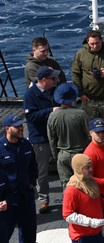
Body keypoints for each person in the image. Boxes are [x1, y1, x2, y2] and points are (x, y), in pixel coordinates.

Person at [2, 114, 52, 243]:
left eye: (21, 125)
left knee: (29, 228)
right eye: (17, 126)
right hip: (7, 201)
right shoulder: (0, 149)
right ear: (7, 128)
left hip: (25, 196)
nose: (21, 128)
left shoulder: (25, 145)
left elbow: (32, 165)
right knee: (3, 236)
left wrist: (32, 180)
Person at [22, 65, 60, 214]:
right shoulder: (30, 95)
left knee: (64, 168)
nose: (56, 80)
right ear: (44, 80)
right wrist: (51, 111)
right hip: (40, 139)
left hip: (56, 136)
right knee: (41, 172)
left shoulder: (55, 90)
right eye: (53, 78)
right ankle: (43, 200)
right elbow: (30, 117)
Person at [46, 82, 89, 185]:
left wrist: (56, 157)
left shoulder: (53, 116)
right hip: (80, 154)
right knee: (85, 184)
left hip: (63, 156)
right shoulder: (81, 114)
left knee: (67, 186)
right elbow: (89, 135)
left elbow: (52, 140)